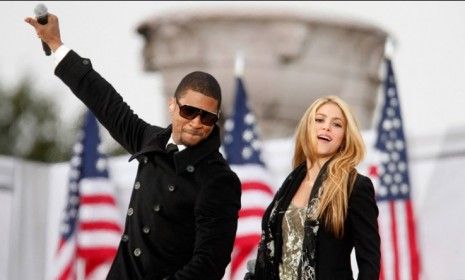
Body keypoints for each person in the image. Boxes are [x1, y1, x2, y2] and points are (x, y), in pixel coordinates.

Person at [25, 13, 241, 280]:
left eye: (207, 117)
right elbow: (105, 101)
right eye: (189, 111)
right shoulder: (150, 141)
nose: (197, 122)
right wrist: (57, 44)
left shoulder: (219, 180)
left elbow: (210, 263)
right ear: (173, 105)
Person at [246, 96, 380, 279]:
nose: (326, 127)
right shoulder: (290, 184)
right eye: (319, 120)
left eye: (337, 124)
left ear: (345, 138)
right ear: (307, 127)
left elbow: (369, 263)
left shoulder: (355, 186)